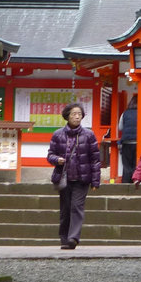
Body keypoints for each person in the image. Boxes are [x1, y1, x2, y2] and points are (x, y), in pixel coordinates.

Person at [47, 102, 101, 250]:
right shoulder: (58, 134)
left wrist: (95, 181)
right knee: (65, 209)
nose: (77, 117)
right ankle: (64, 238)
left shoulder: (89, 135)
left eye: (79, 114)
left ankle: (73, 237)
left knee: (77, 206)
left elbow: (95, 159)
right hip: (64, 177)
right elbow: (50, 155)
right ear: (67, 116)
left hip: (82, 179)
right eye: (74, 114)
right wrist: (57, 160)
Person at [119, 99, 138, 183]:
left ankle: (125, 183)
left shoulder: (124, 113)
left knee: (126, 166)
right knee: (136, 164)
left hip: (126, 142)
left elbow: (120, 127)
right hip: (138, 142)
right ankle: (135, 182)